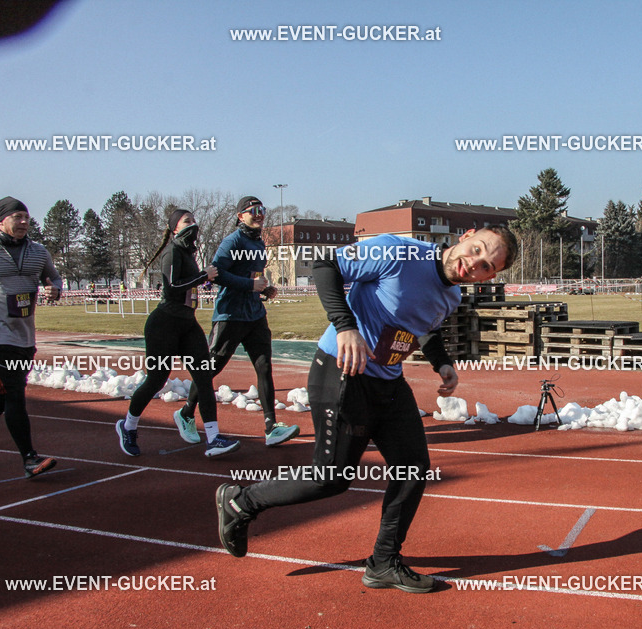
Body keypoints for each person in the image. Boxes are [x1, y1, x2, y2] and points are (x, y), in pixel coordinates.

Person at [215, 226, 518, 592]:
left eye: (486, 266)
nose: (473, 263)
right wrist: (345, 326)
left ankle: (383, 562)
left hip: (388, 383)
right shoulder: (400, 252)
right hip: (342, 373)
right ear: (465, 236)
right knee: (330, 480)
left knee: (413, 469)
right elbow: (326, 264)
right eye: (476, 249)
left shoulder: (451, 297)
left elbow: (421, 329)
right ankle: (240, 502)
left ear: (491, 276)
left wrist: (442, 363)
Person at [116, 210, 240, 458]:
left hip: (187, 323)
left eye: (194, 220)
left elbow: (191, 282)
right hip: (164, 324)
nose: (193, 225)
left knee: (204, 378)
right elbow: (172, 286)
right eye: (187, 222)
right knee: (156, 380)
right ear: (174, 228)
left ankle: (214, 438)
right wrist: (203, 275)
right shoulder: (171, 251)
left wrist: (204, 277)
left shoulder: (188, 253)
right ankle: (128, 426)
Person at [177, 196, 299, 447]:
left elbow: (251, 276)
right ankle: (186, 413)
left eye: (262, 210)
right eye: (253, 211)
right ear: (240, 216)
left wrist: (264, 289)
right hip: (230, 315)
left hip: (255, 315)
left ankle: (271, 428)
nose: (259, 214)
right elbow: (216, 274)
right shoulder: (232, 241)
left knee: (264, 367)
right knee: (211, 368)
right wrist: (249, 285)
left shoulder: (258, 244)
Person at [0, 197, 61, 476]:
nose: (24, 222)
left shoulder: (39, 252)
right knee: (14, 395)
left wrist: (54, 290)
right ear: (1, 220)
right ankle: (29, 458)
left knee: (2, 395)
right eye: (17, 217)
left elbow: (55, 279)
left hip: (24, 337)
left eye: (26, 216)